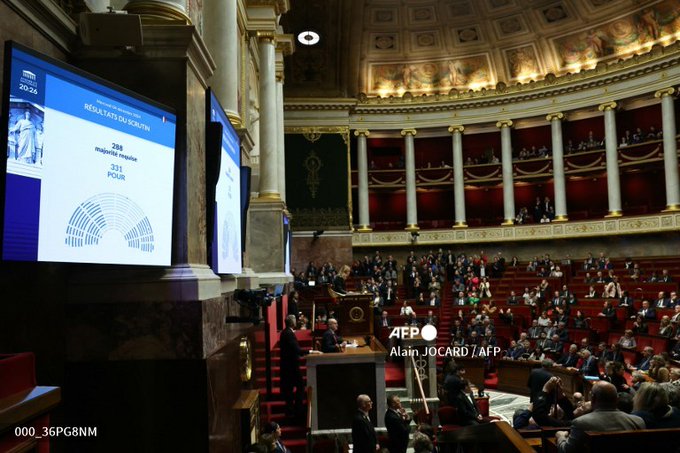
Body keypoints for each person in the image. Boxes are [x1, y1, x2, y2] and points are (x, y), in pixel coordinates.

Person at [554, 381, 645, 453]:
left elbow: (566, 451)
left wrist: (561, 437)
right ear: (617, 400)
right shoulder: (638, 421)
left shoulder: (581, 423)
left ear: (592, 399)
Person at [279, 315, 311, 418]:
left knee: (290, 388)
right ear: (292, 323)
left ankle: (292, 410)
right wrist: (308, 352)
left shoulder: (286, 332)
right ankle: (297, 409)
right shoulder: (288, 333)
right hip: (290, 366)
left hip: (288, 366)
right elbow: (295, 348)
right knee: (300, 386)